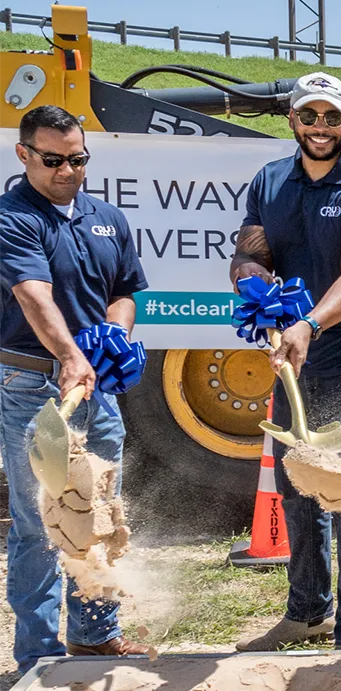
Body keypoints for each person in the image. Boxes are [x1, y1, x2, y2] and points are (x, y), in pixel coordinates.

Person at [232, 72, 341, 651]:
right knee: (298, 485)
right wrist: (255, 293)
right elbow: (249, 253)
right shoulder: (270, 181)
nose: (320, 127)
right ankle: (307, 611)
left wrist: (308, 323)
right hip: (298, 360)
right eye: (308, 116)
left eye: (331, 117)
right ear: (292, 120)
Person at [0, 105, 154, 664]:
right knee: (40, 520)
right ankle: (38, 654)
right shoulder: (13, 217)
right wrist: (69, 356)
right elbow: (33, 294)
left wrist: (115, 333)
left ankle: (93, 635)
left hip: (96, 389)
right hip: (32, 383)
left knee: (100, 511)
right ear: (23, 155)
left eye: (78, 158)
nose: (67, 170)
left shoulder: (106, 216)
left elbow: (126, 289)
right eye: (53, 160)